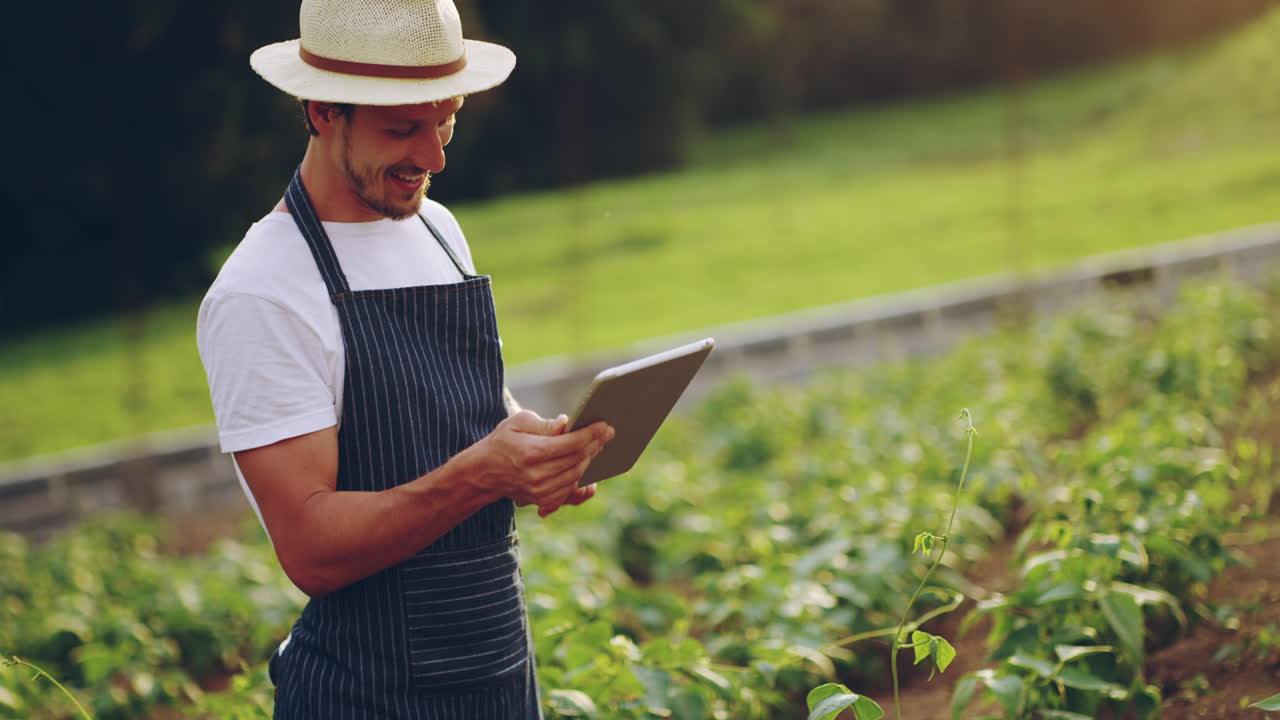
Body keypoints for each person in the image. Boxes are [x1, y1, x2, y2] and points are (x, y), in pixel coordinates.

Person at [196, 1, 614, 717]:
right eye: (402, 129)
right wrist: (483, 472)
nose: (434, 157)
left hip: (497, 675)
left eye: (445, 121)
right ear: (322, 111)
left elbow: (465, 413)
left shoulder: (438, 229)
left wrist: (533, 448)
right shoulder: (262, 291)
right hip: (366, 694)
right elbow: (311, 549)